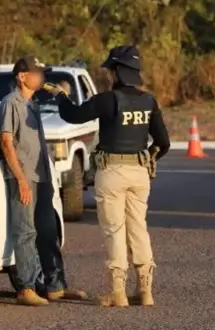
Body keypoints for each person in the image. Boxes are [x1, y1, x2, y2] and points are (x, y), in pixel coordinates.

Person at [48, 45, 170, 308]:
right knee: (138, 229)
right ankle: (145, 291)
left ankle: (118, 292)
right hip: (140, 173)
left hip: (112, 173)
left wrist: (61, 96)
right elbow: (164, 142)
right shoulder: (149, 101)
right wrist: (147, 159)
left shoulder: (107, 100)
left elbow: (73, 115)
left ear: (116, 71)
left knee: (115, 231)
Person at [0, 55, 87, 307]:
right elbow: (7, 143)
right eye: (36, 73)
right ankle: (26, 288)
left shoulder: (33, 104)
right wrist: (21, 180)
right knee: (25, 232)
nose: (41, 77)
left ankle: (55, 286)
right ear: (22, 76)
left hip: (42, 177)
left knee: (48, 232)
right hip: (23, 178)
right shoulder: (11, 103)